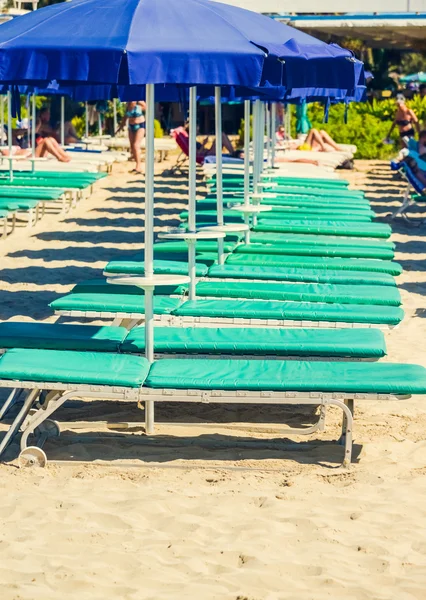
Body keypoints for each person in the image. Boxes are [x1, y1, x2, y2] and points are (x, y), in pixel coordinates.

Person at [116, 101, 146, 174]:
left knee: (136, 145)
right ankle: (137, 163)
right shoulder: (128, 107)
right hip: (131, 126)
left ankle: (139, 166)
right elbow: (125, 117)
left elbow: (146, 106)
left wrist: (137, 98)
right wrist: (120, 127)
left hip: (140, 126)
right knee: (132, 146)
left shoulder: (139, 106)